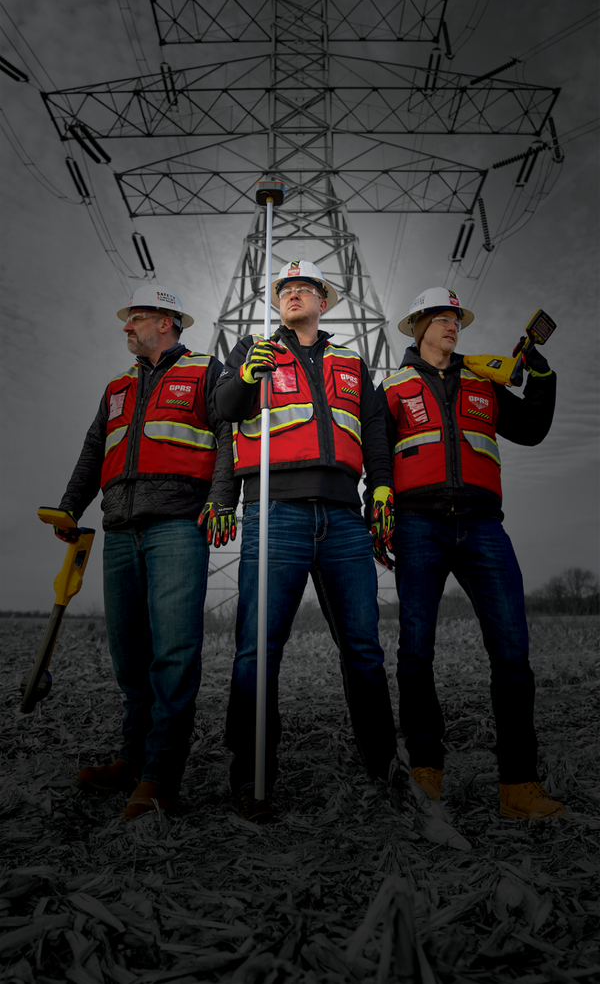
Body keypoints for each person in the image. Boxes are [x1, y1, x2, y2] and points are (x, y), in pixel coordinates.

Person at [214, 260, 398, 822]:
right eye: (285, 289)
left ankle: (383, 766)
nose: (293, 294)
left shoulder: (350, 360)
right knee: (258, 650)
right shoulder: (253, 350)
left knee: (364, 650)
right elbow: (221, 411)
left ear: (324, 300)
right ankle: (250, 773)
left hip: (344, 515)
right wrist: (247, 378)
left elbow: (373, 428)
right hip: (275, 512)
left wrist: (383, 486)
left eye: (304, 288)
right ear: (277, 303)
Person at [377, 287, 565, 820]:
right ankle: (426, 769)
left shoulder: (486, 381)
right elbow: (378, 455)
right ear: (417, 328)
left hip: (483, 526)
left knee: (511, 655)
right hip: (417, 524)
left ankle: (519, 784)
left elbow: (531, 429)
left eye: (456, 319)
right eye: (441, 318)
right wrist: (380, 505)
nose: (453, 326)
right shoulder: (392, 387)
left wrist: (543, 377)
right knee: (415, 652)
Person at [56, 285, 236, 819]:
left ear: (166, 322)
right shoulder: (117, 386)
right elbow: (95, 448)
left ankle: (161, 776)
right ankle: (133, 761)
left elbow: (229, 434)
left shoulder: (207, 371)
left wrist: (224, 499)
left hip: (178, 525)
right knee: (129, 653)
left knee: (174, 653)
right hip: (120, 527)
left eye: (135, 319)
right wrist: (71, 506)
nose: (127, 328)